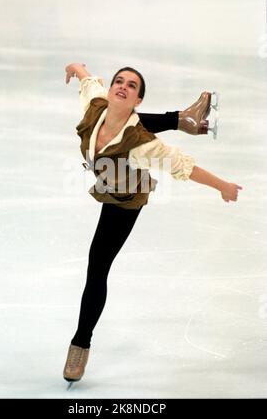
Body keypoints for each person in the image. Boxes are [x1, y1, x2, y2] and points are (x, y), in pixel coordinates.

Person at [62, 63, 242, 384]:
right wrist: (76, 68)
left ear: (138, 101)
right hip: (109, 179)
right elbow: (90, 82)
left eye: (131, 86)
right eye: (119, 81)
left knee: (97, 266)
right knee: (120, 121)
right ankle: (186, 120)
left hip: (126, 198)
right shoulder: (95, 106)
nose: (122, 86)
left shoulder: (144, 144)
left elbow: (182, 167)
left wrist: (223, 186)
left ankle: (81, 342)